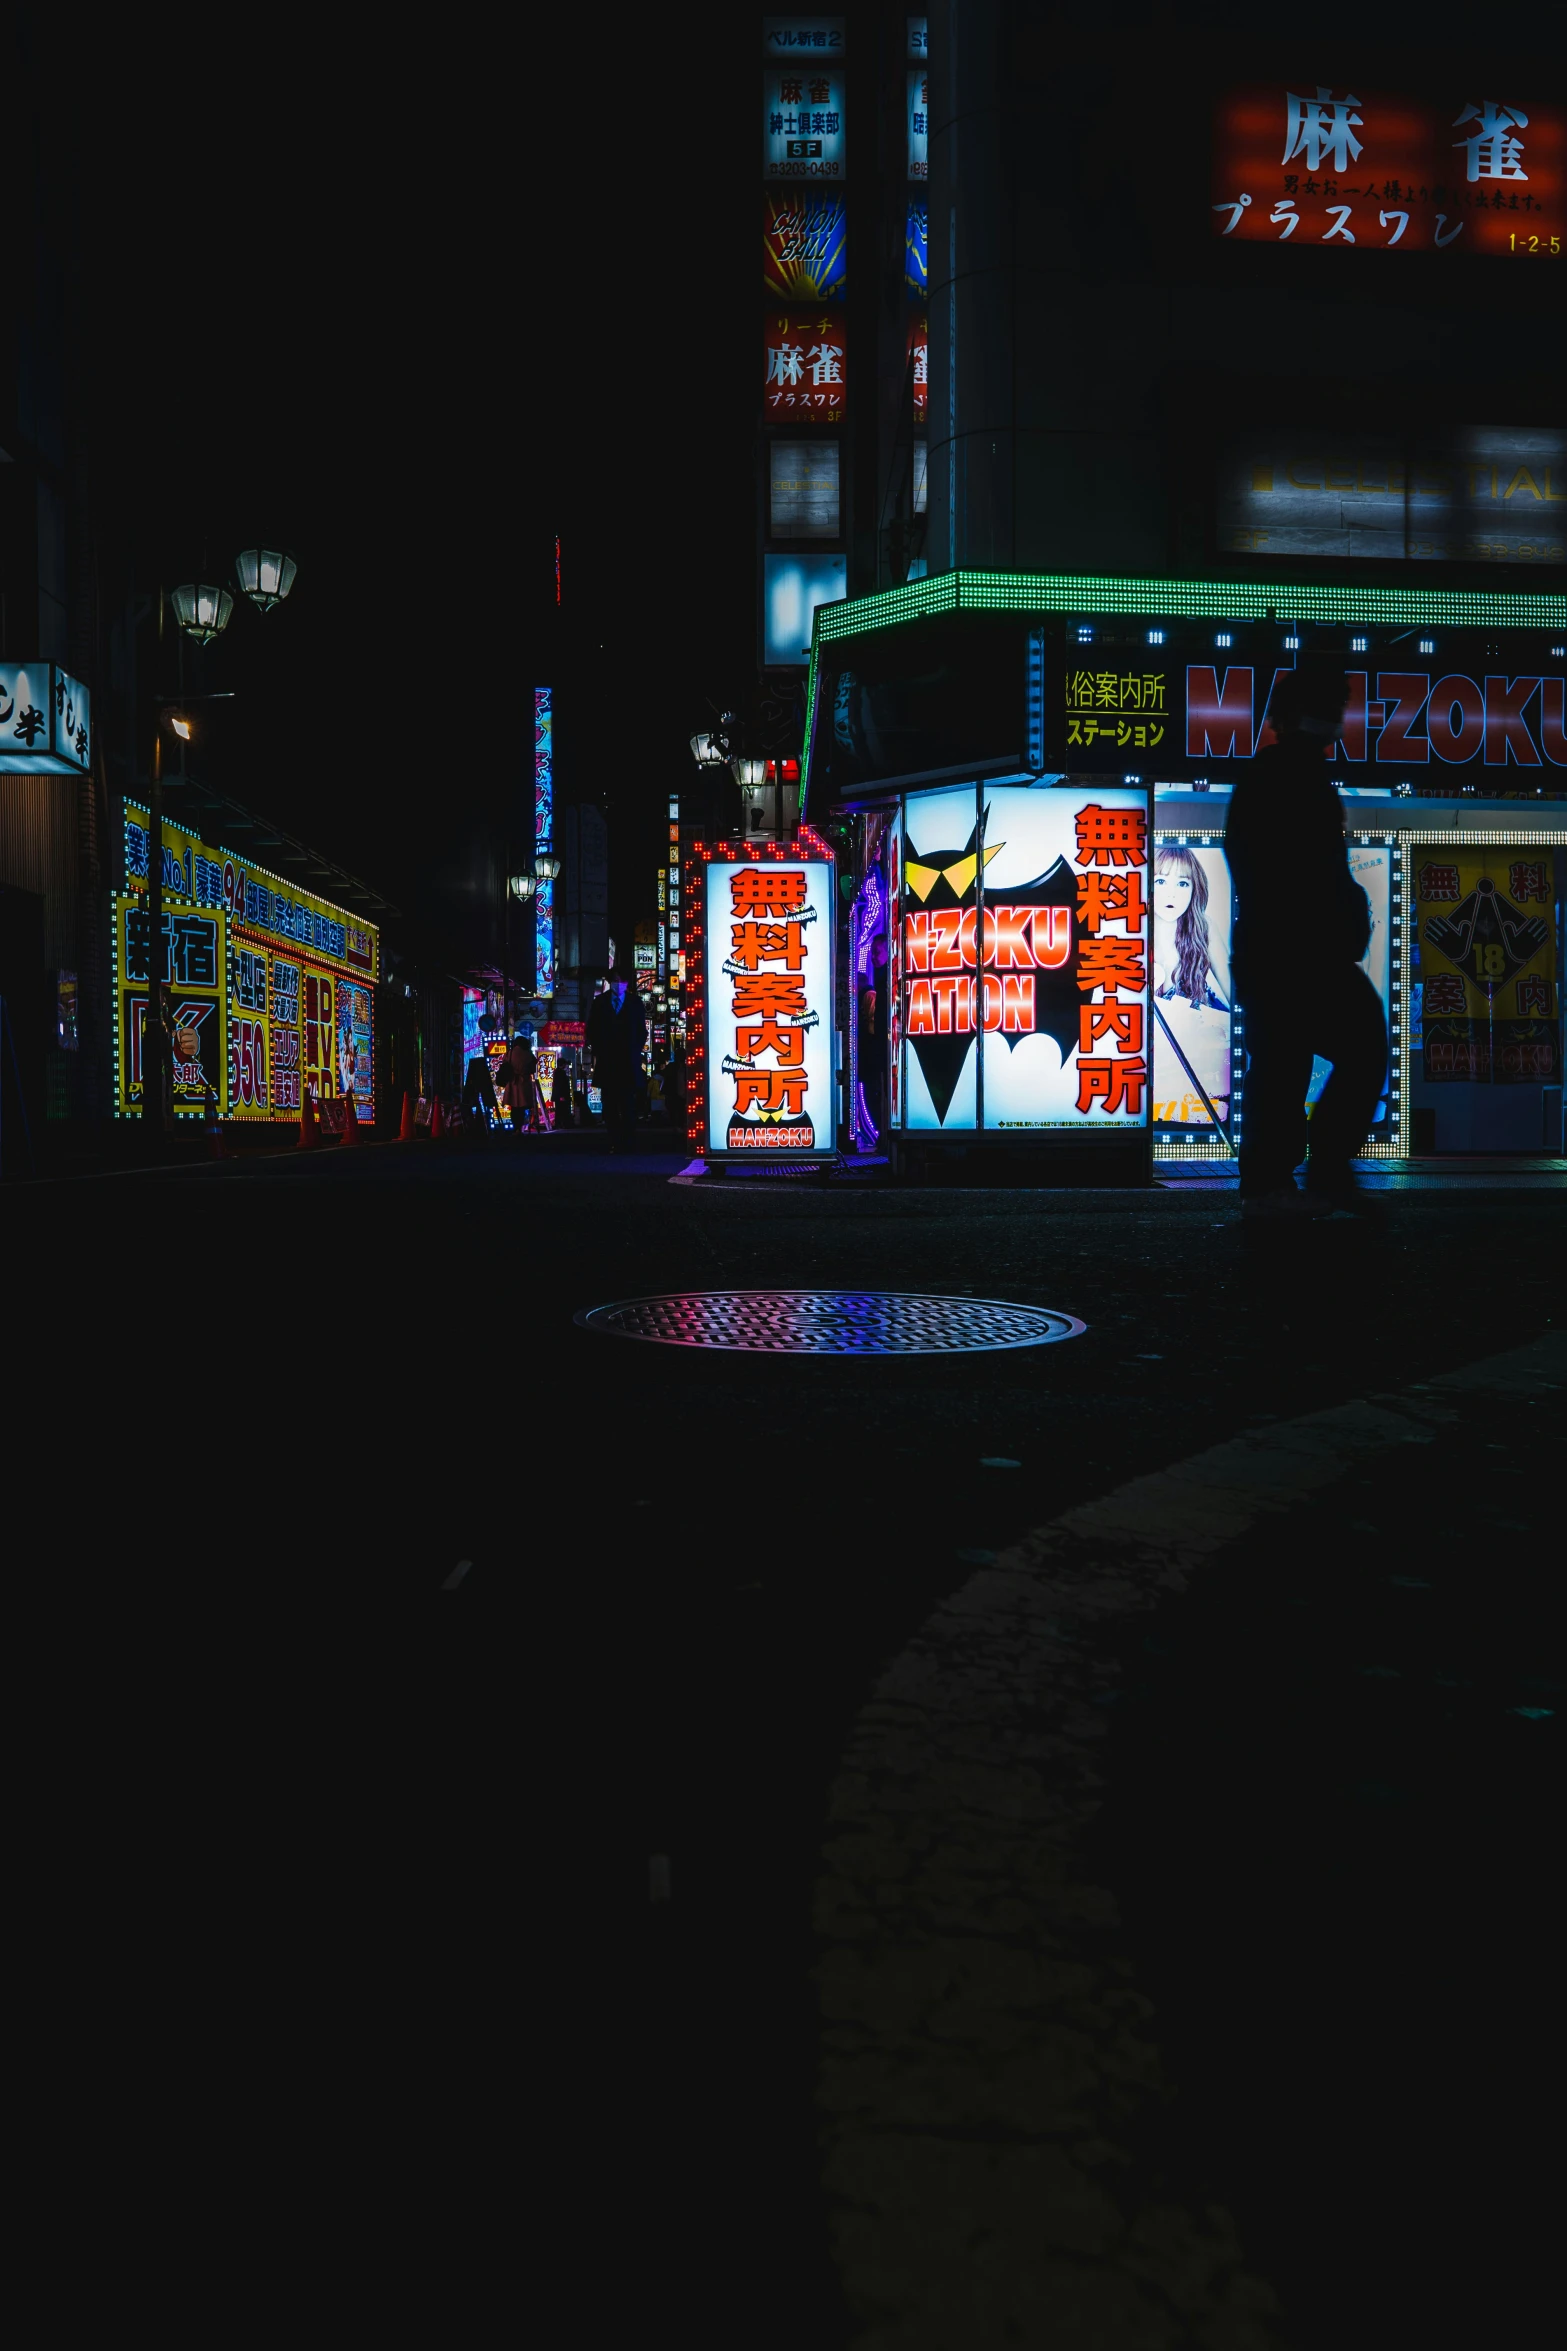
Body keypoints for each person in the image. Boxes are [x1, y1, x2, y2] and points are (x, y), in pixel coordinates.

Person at [1224, 659, 1386, 1217]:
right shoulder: (1296, 777)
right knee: (1352, 1051)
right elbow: (1314, 869)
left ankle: (1279, 1181)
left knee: (1281, 1061)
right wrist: (1345, 917)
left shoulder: (1271, 774)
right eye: (1335, 711)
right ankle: (1302, 1175)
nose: (1338, 722)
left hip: (1275, 951)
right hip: (1301, 953)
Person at [587, 967, 647, 1154]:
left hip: (628, 1064)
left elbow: (642, 1032)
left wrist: (634, 1051)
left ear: (627, 983)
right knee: (610, 1108)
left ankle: (628, 1142)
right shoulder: (600, 1003)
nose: (618, 984)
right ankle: (614, 1141)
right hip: (607, 1063)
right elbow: (591, 1030)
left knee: (628, 1107)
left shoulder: (635, 1003)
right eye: (614, 980)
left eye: (621, 980)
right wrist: (599, 1051)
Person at [496, 1033, 537, 1135]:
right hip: (524, 1082)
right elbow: (533, 1067)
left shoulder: (509, 1053)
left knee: (514, 1106)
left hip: (512, 1082)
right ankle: (520, 1127)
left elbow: (505, 1065)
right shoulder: (528, 1053)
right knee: (522, 1107)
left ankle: (515, 1128)